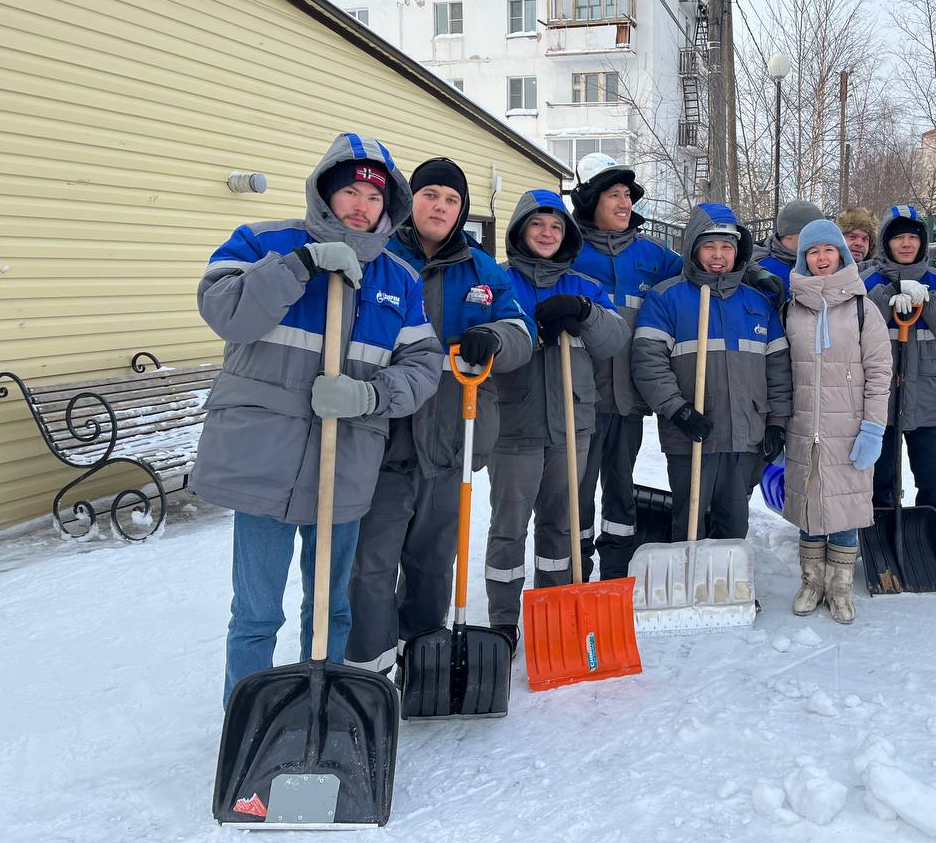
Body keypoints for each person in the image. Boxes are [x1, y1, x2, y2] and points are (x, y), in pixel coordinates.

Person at [191, 133, 443, 707]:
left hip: (345, 463)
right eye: (350, 191)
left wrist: (370, 396)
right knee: (255, 612)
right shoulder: (262, 242)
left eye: (374, 198)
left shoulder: (398, 281)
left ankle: (316, 708)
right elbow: (226, 313)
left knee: (330, 606)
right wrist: (299, 265)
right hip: (263, 463)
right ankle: (248, 720)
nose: (361, 204)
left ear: (388, 207)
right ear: (324, 193)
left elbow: (425, 366)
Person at [345, 157, 535, 678]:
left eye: (451, 200)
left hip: (454, 430)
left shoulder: (481, 270)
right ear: (411, 201)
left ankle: (420, 652)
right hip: (381, 433)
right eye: (431, 195)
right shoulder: (378, 255)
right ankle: (369, 665)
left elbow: (523, 330)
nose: (441, 207)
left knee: (432, 561)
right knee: (372, 562)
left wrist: (495, 337)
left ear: (462, 210)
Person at [485, 190, 629, 652]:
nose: (547, 234)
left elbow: (614, 339)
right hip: (515, 424)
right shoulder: (499, 282)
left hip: (573, 423)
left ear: (566, 235)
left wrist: (585, 314)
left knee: (561, 524)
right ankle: (504, 619)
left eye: (556, 227)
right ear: (520, 231)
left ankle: (554, 605)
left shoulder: (583, 285)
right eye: (537, 225)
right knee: (510, 524)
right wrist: (531, 327)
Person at [632, 203, 793, 542]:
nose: (718, 255)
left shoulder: (757, 303)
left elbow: (778, 368)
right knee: (689, 518)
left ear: (738, 252)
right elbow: (649, 362)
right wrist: (677, 409)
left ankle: (727, 588)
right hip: (691, 433)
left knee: (734, 522)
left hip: (745, 432)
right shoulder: (668, 298)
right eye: (709, 246)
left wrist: (777, 422)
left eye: (726, 247)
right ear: (693, 248)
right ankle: (688, 585)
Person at [570, 154, 683, 580]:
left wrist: (760, 270)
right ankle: (576, 572)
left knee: (620, 486)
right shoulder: (569, 250)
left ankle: (615, 572)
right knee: (577, 490)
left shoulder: (653, 256)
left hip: (628, 400)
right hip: (580, 398)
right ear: (590, 201)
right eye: (613, 195)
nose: (623, 203)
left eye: (626, 195)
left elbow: (702, 275)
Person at [782, 220, 891, 623]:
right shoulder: (791, 307)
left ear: (842, 255)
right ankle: (812, 582)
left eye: (829, 250)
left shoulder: (863, 308)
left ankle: (840, 588)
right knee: (810, 508)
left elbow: (879, 371)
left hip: (849, 429)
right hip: (803, 428)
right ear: (803, 259)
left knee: (845, 509)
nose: (821, 258)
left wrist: (874, 427)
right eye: (813, 252)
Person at [859, 204, 936, 542]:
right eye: (898, 238)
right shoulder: (867, 280)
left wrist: (930, 300)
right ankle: (878, 541)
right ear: (886, 242)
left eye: (912, 237)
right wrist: (886, 295)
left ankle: (930, 543)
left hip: (929, 398)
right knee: (879, 479)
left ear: (922, 242)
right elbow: (852, 324)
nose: (906, 244)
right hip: (879, 399)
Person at [750, 200, 825, 304]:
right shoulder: (762, 269)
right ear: (788, 234)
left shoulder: (823, 262)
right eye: (811, 233)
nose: (818, 239)